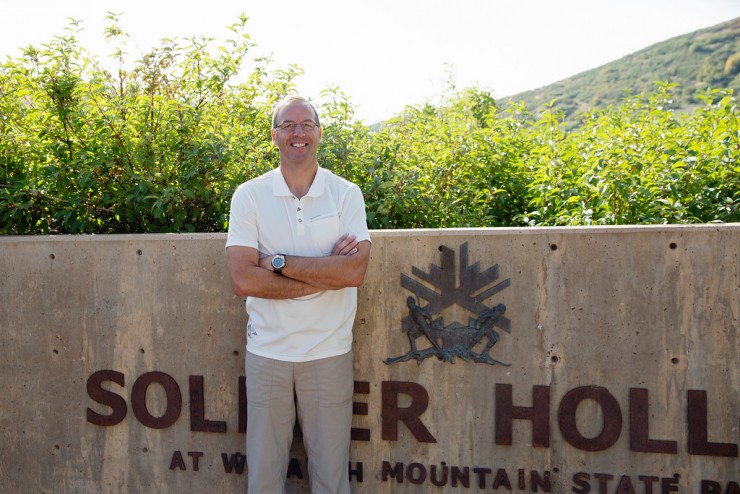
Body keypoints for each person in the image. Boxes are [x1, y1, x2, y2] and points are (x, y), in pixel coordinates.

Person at [225, 95, 371, 494]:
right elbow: (242, 279)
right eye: (288, 125)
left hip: (328, 352)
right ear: (275, 136)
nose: (298, 133)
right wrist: (326, 272)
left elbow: (354, 271)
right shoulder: (249, 196)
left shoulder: (346, 194)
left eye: (306, 124)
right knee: (264, 478)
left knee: (331, 478)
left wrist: (276, 262)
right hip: (268, 354)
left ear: (319, 133)